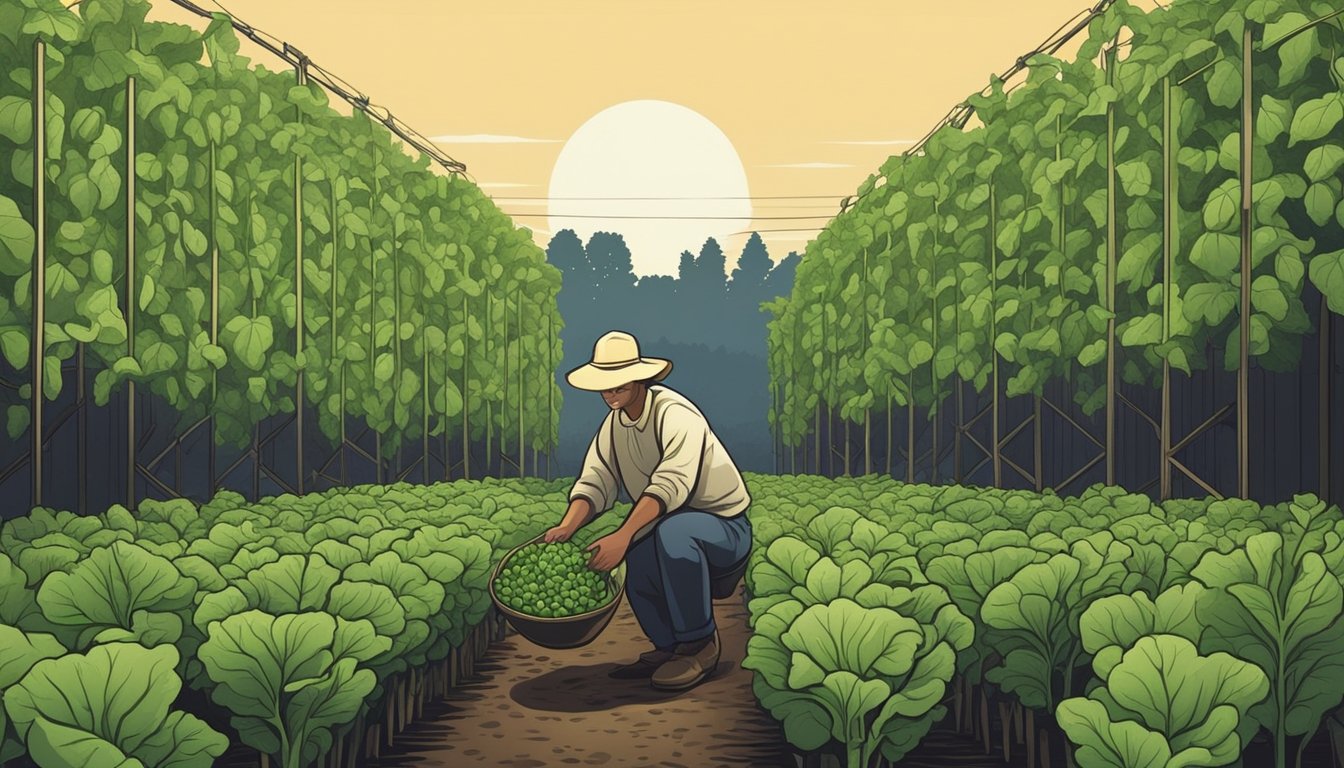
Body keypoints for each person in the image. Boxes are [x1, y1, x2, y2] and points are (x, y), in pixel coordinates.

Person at [543, 330, 753, 691]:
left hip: (725, 528)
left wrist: (622, 535)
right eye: (604, 387)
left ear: (640, 379)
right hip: (669, 524)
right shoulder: (614, 424)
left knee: (669, 533)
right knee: (640, 554)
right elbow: (597, 479)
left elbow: (670, 483)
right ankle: (667, 646)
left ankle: (699, 644)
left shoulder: (674, 414)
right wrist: (568, 526)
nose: (609, 394)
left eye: (618, 386)